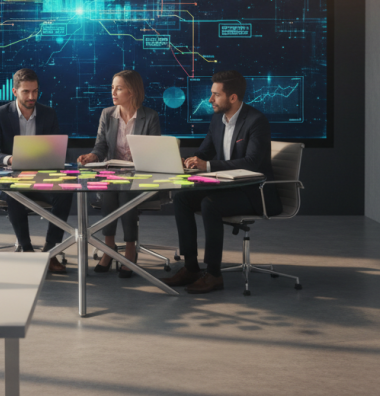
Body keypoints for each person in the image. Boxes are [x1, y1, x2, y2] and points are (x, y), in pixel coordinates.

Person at [161, 70, 281, 294]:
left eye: (216, 95)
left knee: (210, 204)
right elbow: (204, 151)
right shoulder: (217, 119)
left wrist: (206, 166)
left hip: (254, 193)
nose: (210, 100)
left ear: (233, 97)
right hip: (227, 187)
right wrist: (187, 161)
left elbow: (252, 162)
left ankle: (214, 274)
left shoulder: (256, 121)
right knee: (182, 199)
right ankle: (191, 268)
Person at [0, 69, 71, 272]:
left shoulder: (48, 114)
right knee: (15, 194)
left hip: (41, 178)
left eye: (35, 91)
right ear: (14, 91)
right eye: (26, 92)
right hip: (11, 179)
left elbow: (56, 149)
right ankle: (27, 250)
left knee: (65, 194)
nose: (31, 97)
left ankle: (51, 251)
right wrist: (11, 159)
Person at [77, 70, 161, 278]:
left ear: (131, 91)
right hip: (113, 174)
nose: (113, 92)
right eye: (112, 87)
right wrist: (91, 157)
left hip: (139, 175)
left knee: (125, 192)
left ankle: (130, 250)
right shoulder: (107, 114)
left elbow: (154, 152)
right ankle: (109, 248)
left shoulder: (149, 116)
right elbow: (101, 147)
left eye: (119, 88)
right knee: (110, 189)